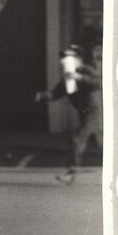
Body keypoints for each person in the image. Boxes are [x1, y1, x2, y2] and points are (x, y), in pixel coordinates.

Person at [35, 43, 103, 184]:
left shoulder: (86, 70)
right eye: (63, 58)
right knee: (102, 144)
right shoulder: (67, 78)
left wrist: (78, 77)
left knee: (77, 139)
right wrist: (40, 96)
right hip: (84, 113)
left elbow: (99, 83)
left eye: (68, 58)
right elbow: (56, 93)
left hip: (93, 112)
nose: (64, 61)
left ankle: (71, 174)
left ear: (78, 59)